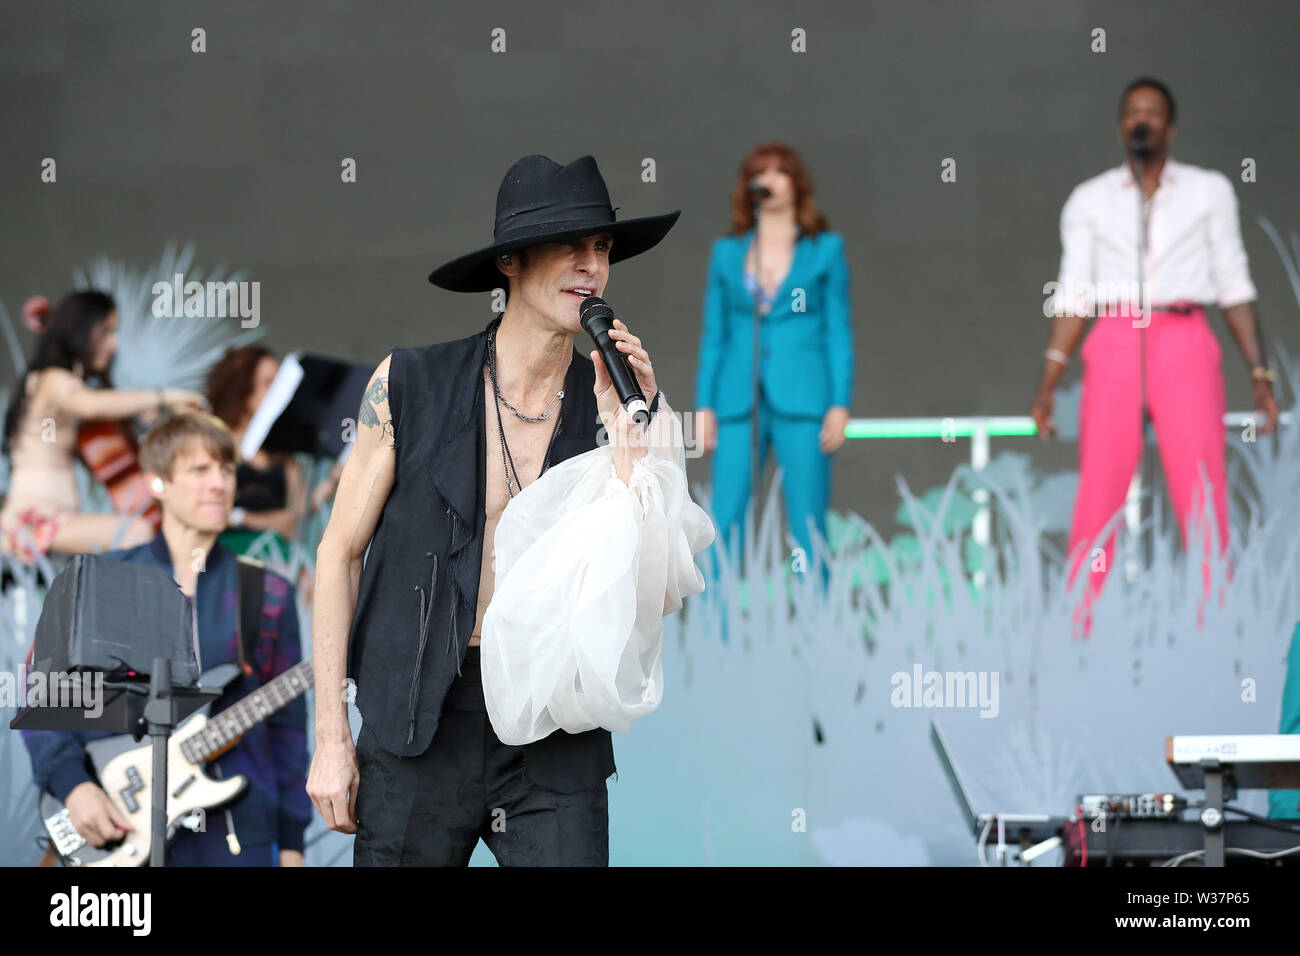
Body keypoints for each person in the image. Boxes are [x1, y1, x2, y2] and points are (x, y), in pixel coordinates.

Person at [308, 153, 710, 866]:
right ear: (511, 263)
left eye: (603, 248)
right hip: (417, 724)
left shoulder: (621, 405)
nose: (592, 266)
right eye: (571, 246)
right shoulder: (409, 383)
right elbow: (338, 554)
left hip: (553, 724)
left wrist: (632, 439)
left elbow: (659, 585)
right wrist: (331, 736)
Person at [1031, 78, 1277, 637]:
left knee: (1202, 491)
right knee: (1099, 490)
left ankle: (1219, 633)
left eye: (1153, 112)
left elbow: (1234, 281)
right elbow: (1074, 293)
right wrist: (1049, 380)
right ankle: (1079, 633)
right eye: (1132, 112)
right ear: (1122, 125)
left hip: (1183, 334)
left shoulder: (1209, 190)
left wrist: (1259, 375)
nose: (1142, 120)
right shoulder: (1090, 199)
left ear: (1171, 127)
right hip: (1116, 336)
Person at [21, 411, 310, 865]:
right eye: (199, 470)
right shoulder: (99, 579)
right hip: (119, 828)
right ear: (157, 481)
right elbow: (43, 692)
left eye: (226, 469)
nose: (218, 483)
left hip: (239, 835)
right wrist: (73, 785)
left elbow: (289, 731)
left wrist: (292, 845)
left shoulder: (267, 592)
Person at [694, 142, 854, 588]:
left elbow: (838, 330)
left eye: (779, 171)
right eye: (759, 172)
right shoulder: (726, 252)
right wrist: (704, 404)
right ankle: (716, 633)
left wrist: (840, 402)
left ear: (796, 183)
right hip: (736, 400)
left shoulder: (825, 249)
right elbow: (715, 333)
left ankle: (815, 628)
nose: (769, 180)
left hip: (804, 399)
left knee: (808, 521)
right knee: (722, 519)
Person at [0, 291, 208, 563]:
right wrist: (165, 396)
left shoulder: (59, 390)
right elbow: (93, 405)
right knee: (136, 532)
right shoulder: (53, 380)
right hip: (30, 520)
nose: (114, 343)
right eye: (106, 332)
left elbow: (96, 414)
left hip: (53, 520)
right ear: (81, 332)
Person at [206, 345, 308, 555]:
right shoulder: (215, 442)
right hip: (224, 550)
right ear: (243, 388)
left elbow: (299, 512)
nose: (277, 390)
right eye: (267, 382)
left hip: (273, 552)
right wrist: (252, 520)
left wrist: (335, 479)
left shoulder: (282, 453)